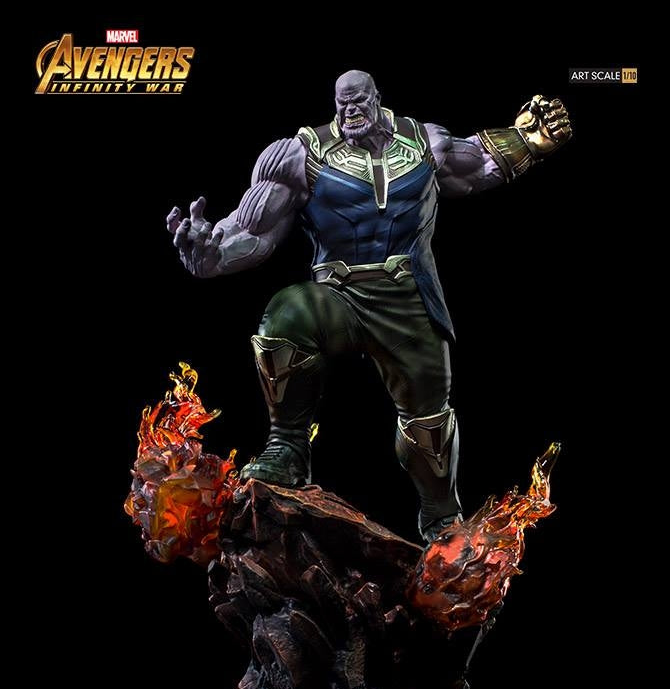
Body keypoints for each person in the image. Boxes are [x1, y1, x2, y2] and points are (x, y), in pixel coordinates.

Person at [167, 70, 571, 542]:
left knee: (429, 418)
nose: (351, 111)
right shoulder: (301, 155)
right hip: (339, 296)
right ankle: (287, 448)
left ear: (377, 99)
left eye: (359, 101)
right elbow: (251, 231)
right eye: (342, 104)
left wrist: (529, 139)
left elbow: (478, 162)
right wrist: (211, 255)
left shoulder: (423, 143)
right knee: (287, 313)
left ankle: (441, 518)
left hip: (407, 297)